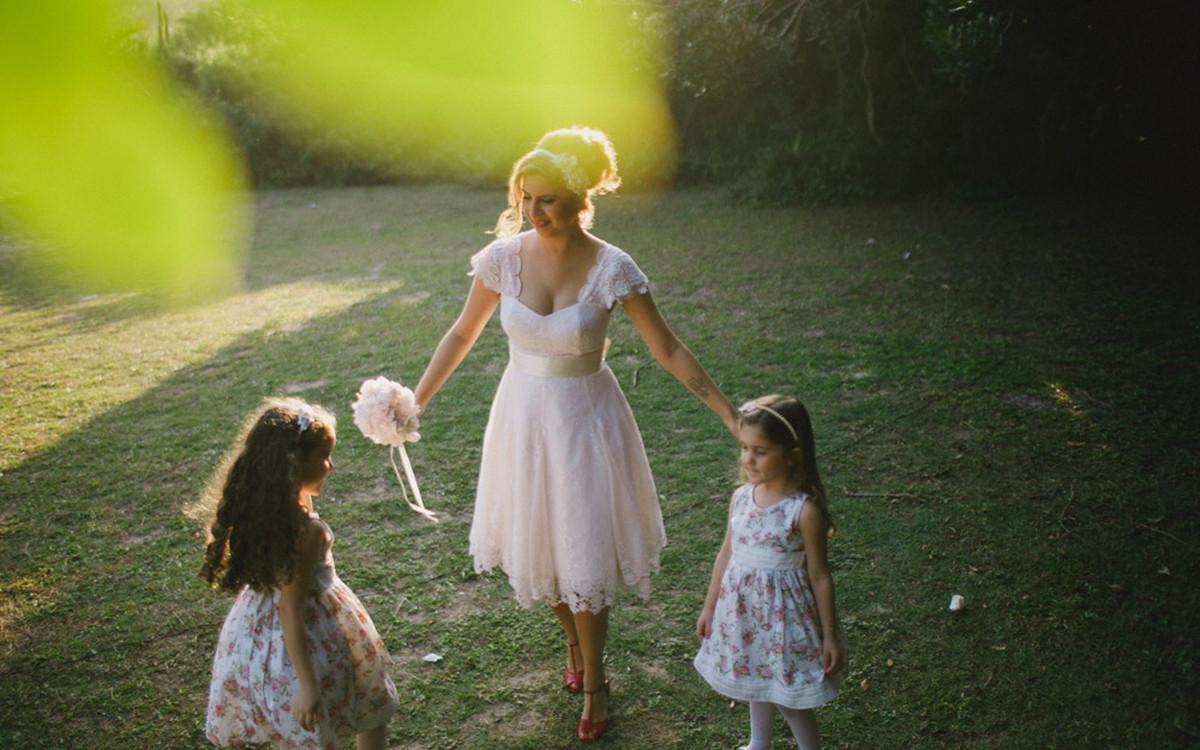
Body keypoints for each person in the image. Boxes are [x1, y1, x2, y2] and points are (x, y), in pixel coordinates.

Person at [413, 126, 738, 742]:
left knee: (582, 553)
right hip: (521, 419)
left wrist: (727, 412)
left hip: (586, 422)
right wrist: (416, 401)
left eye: (548, 200)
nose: (533, 212)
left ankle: (595, 681)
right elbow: (461, 333)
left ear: (580, 198)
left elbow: (667, 347)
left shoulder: (613, 268)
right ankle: (573, 643)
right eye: (525, 198)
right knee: (540, 546)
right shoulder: (503, 259)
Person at [201, 398, 397, 750]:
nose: (331, 466)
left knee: (295, 732)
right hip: (303, 632)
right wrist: (307, 685)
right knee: (367, 707)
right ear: (294, 464)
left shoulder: (264, 508)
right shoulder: (308, 532)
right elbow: (290, 608)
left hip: (256, 631)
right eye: (324, 457)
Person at [694, 395, 847, 750]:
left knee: (787, 698)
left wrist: (829, 635)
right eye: (744, 448)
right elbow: (726, 554)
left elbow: (820, 576)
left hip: (784, 621)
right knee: (754, 674)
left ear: (791, 455)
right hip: (745, 615)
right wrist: (709, 607)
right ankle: (758, 742)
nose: (747, 458)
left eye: (760, 451)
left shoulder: (802, 511)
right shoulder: (741, 499)